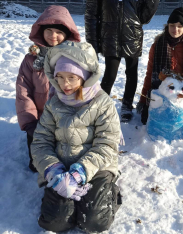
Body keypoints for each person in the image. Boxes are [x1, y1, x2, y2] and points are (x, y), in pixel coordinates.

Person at [31, 41, 122, 233]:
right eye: (60, 77)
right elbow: (41, 142)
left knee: (94, 222)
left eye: (72, 77)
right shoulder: (53, 104)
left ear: (85, 77)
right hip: (61, 168)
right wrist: (53, 171)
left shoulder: (103, 103)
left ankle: (109, 192)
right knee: (56, 222)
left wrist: (80, 172)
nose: (65, 84)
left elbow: (107, 144)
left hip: (95, 167)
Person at [85, 0, 160, 122]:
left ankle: (127, 105)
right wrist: (92, 42)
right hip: (110, 36)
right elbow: (91, 11)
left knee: (131, 74)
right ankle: (101, 105)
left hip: (132, 37)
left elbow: (144, 18)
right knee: (110, 75)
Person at [15, 5, 81, 172]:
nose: (53, 36)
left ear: (67, 34)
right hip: (39, 119)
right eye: (49, 30)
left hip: (65, 119)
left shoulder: (75, 59)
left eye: (59, 32)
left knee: (66, 157)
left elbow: (84, 90)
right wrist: (30, 122)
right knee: (37, 164)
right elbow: (23, 92)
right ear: (41, 31)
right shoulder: (31, 60)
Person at [137, 7, 183, 124]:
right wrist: (143, 100)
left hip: (182, 91)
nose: (175, 29)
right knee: (146, 120)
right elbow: (150, 73)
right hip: (161, 89)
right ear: (167, 26)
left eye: (180, 26)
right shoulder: (157, 45)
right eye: (172, 25)